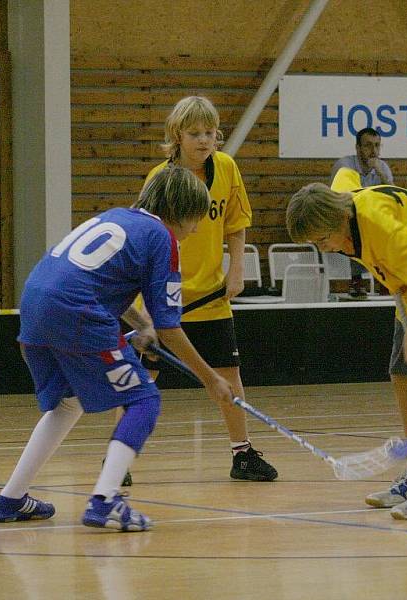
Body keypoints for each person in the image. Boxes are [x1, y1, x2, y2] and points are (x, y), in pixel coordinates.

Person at [0, 166, 233, 532]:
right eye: (195, 219)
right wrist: (211, 379)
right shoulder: (161, 238)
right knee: (144, 400)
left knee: (68, 403)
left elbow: (97, 282)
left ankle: (10, 498)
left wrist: (140, 325)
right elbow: (170, 328)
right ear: (180, 212)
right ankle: (106, 501)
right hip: (76, 311)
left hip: (35, 304)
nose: (196, 229)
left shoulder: (120, 217)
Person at [286, 181, 407, 520]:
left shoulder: (378, 225)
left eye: (321, 239)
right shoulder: (340, 202)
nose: (323, 248)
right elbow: (345, 176)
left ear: (339, 218)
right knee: (402, 374)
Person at [135, 96, 278, 482]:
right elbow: (144, 237)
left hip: (212, 296)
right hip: (164, 295)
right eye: (194, 133)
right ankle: (121, 460)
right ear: (176, 136)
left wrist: (237, 269)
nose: (203, 140)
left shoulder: (227, 169)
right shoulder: (159, 178)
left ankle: (242, 453)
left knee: (229, 374)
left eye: (210, 133)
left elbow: (236, 223)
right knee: (142, 377)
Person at [329, 127, 394, 297]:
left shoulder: (382, 167)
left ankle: (386, 279)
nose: (374, 151)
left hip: (370, 219)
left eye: (377, 146)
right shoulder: (344, 166)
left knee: (390, 227)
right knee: (356, 227)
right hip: (343, 216)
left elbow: (394, 201)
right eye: (368, 146)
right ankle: (356, 280)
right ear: (357, 148)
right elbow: (345, 201)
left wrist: (382, 175)